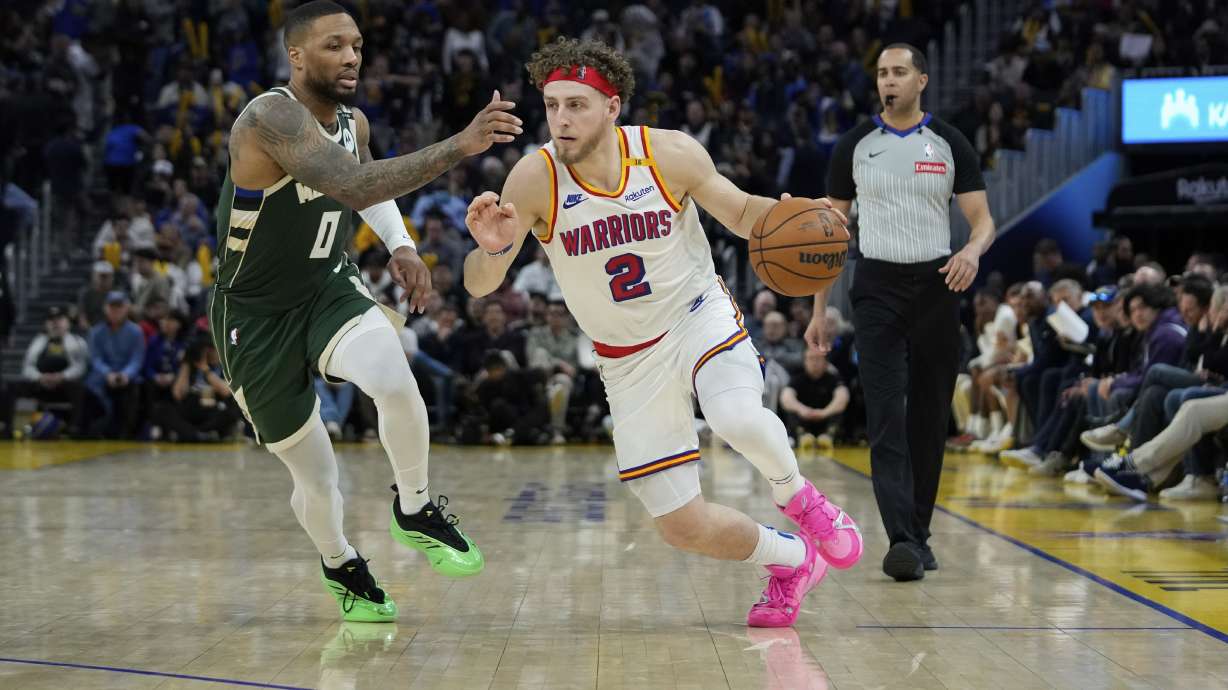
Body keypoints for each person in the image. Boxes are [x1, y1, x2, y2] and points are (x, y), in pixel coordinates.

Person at [463, 37, 862, 628]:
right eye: (552, 105)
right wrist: (491, 251)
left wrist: (792, 217)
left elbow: (742, 212)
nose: (561, 119)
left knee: (734, 416)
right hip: (625, 360)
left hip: (696, 316)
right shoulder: (534, 178)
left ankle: (800, 497)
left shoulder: (667, 154)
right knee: (681, 525)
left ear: (612, 106)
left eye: (576, 104)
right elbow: (478, 283)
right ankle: (793, 560)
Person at [209, 0, 521, 622]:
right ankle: (339, 561)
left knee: (393, 375)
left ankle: (415, 506)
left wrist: (401, 245)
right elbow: (355, 186)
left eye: (355, 44)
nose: (351, 56)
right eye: (333, 45)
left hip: (329, 288)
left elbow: (361, 179)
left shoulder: (355, 121)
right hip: (255, 316)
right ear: (296, 56)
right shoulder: (269, 117)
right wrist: (460, 145)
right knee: (317, 478)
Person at [807, 43, 995, 582]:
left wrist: (971, 251)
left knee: (930, 418)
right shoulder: (854, 146)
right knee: (885, 415)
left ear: (921, 80)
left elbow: (982, 221)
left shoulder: (950, 141)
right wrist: (820, 311)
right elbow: (827, 237)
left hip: (939, 283)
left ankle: (919, 532)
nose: (888, 81)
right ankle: (903, 542)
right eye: (882, 73)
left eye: (898, 72)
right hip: (877, 286)